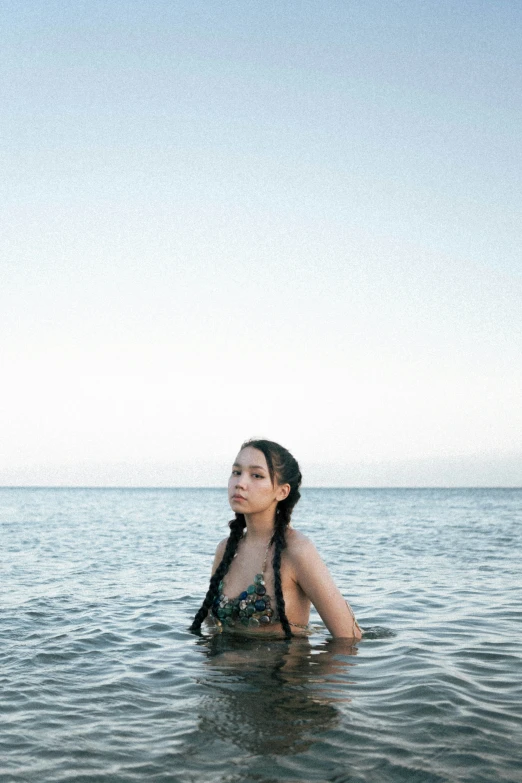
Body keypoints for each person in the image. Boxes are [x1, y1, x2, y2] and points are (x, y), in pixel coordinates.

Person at [190, 439, 362, 640]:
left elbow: (349, 638)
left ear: (282, 491)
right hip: (222, 671)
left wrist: (309, 672)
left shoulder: (296, 550)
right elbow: (212, 627)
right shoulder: (226, 549)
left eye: (256, 475)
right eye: (236, 472)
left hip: (280, 670)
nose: (240, 483)